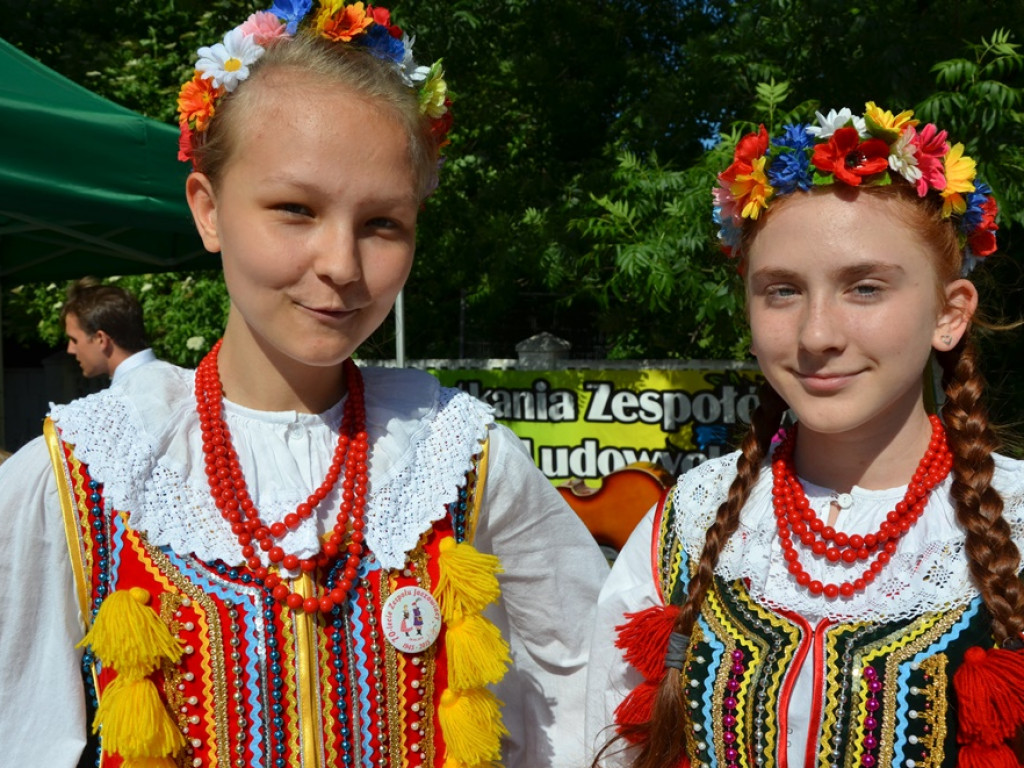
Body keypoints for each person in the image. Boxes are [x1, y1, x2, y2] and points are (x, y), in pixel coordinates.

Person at [0, 4, 608, 768]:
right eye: (295, 209)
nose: (342, 264)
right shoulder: (96, 469)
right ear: (209, 209)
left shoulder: (457, 455)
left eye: (383, 223)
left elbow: (588, 687)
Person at [586, 104, 1021, 768]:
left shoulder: (1014, 523)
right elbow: (602, 737)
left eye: (865, 288)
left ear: (949, 312)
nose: (818, 334)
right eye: (782, 291)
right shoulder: (693, 517)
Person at [61, 278, 156, 383]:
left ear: (101, 339)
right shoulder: (175, 375)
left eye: (74, 340)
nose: (70, 350)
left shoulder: (116, 397)